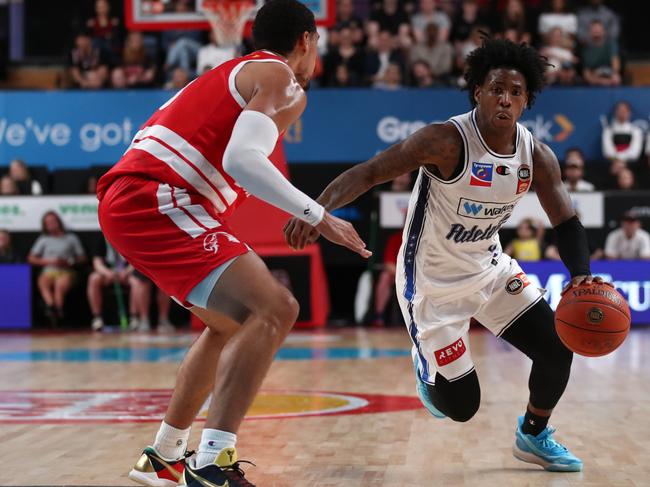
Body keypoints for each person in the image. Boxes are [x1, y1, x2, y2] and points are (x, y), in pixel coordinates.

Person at [286, 37, 612, 473]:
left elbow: (566, 220)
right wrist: (316, 209)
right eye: (497, 88)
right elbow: (369, 172)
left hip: (491, 270)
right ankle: (427, 369)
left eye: (516, 93)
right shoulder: (444, 140)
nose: (505, 99)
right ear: (477, 90)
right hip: (431, 283)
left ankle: (533, 434)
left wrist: (580, 274)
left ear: (526, 100)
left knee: (557, 349)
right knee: (461, 407)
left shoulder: (536, 154)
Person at [96, 1, 369, 486]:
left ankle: (164, 456)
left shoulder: (234, 71)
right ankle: (212, 461)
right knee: (276, 308)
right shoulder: (282, 78)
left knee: (227, 324)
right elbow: (243, 160)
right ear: (306, 40)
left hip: (136, 199)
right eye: (317, 45)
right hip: (156, 198)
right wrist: (319, 215)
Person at [27, 211, 86, 325]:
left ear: (58, 222)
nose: (51, 224)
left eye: (53, 221)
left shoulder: (71, 238)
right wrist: (49, 261)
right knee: (44, 281)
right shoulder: (43, 239)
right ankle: (50, 307)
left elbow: (82, 258)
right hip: (48, 270)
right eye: (47, 223)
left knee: (60, 284)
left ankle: (59, 311)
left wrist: (69, 262)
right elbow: (31, 258)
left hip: (66, 271)